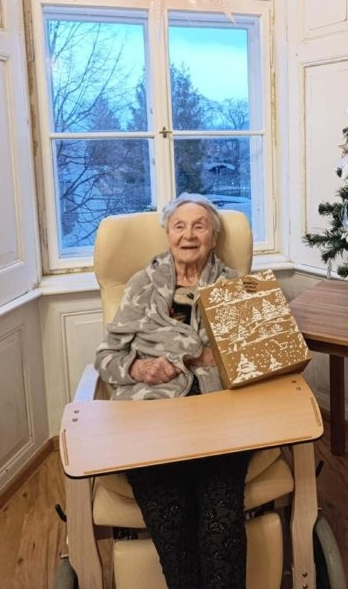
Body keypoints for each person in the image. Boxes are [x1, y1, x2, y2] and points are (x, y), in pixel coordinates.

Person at [94, 193, 250, 589]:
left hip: (218, 417)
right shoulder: (142, 285)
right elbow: (107, 356)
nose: (189, 235)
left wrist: (202, 359)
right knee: (170, 514)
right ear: (168, 235)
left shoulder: (234, 286)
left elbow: (251, 355)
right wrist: (139, 367)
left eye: (199, 226)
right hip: (153, 417)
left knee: (220, 519)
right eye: (179, 226)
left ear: (214, 237)